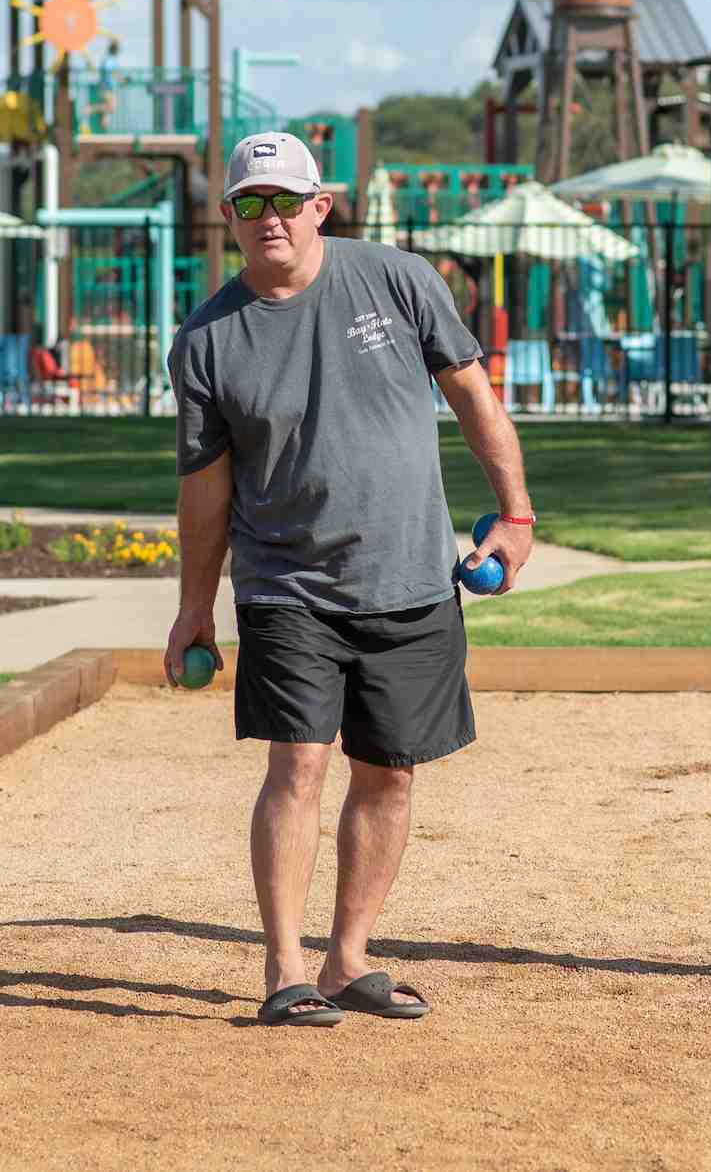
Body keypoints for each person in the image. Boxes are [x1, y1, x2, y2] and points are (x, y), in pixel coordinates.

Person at [164, 130, 537, 1028]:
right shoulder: (206, 340)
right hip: (288, 585)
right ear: (230, 220)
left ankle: (348, 960)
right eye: (250, 204)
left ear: (320, 206)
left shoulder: (398, 278)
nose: (271, 219)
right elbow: (204, 492)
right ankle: (285, 970)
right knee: (298, 764)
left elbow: (473, 395)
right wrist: (193, 610)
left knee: (391, 773)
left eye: (286, 200)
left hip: (411, 573)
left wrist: (516, 516)